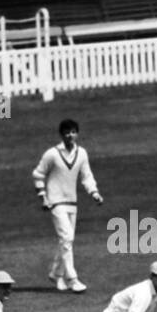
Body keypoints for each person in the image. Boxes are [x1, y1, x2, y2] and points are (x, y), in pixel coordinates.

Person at [32, 118, 103, 294]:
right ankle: (73, 279)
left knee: (66, 240)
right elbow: (38, 174)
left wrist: (94, 193)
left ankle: (56, 273)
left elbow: (86, 176)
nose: (70, 135)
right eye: (67, 132)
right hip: (55, 201)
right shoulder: (52, 154)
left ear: (77, 133)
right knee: (67, 238)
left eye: (73, 132)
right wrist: (43, 197)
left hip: (72, 202)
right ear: (61, 135)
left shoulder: (82, 153)